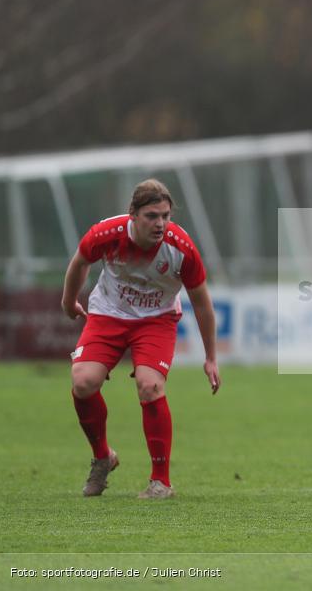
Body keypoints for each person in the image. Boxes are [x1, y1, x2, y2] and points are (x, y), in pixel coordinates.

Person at [62, 178, 221, 499]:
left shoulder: (181, 248)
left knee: (150, 385)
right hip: (108, 315)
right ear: (132, 214)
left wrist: (210, 357)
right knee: (82, 382)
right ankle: (103, 457)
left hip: (156, 320)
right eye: (152, 215)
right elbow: (80, 261)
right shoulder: (107, 234)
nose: (160, 223)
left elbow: (202, 303)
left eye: (165, 215)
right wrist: (69, 301)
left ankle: (160, 482)